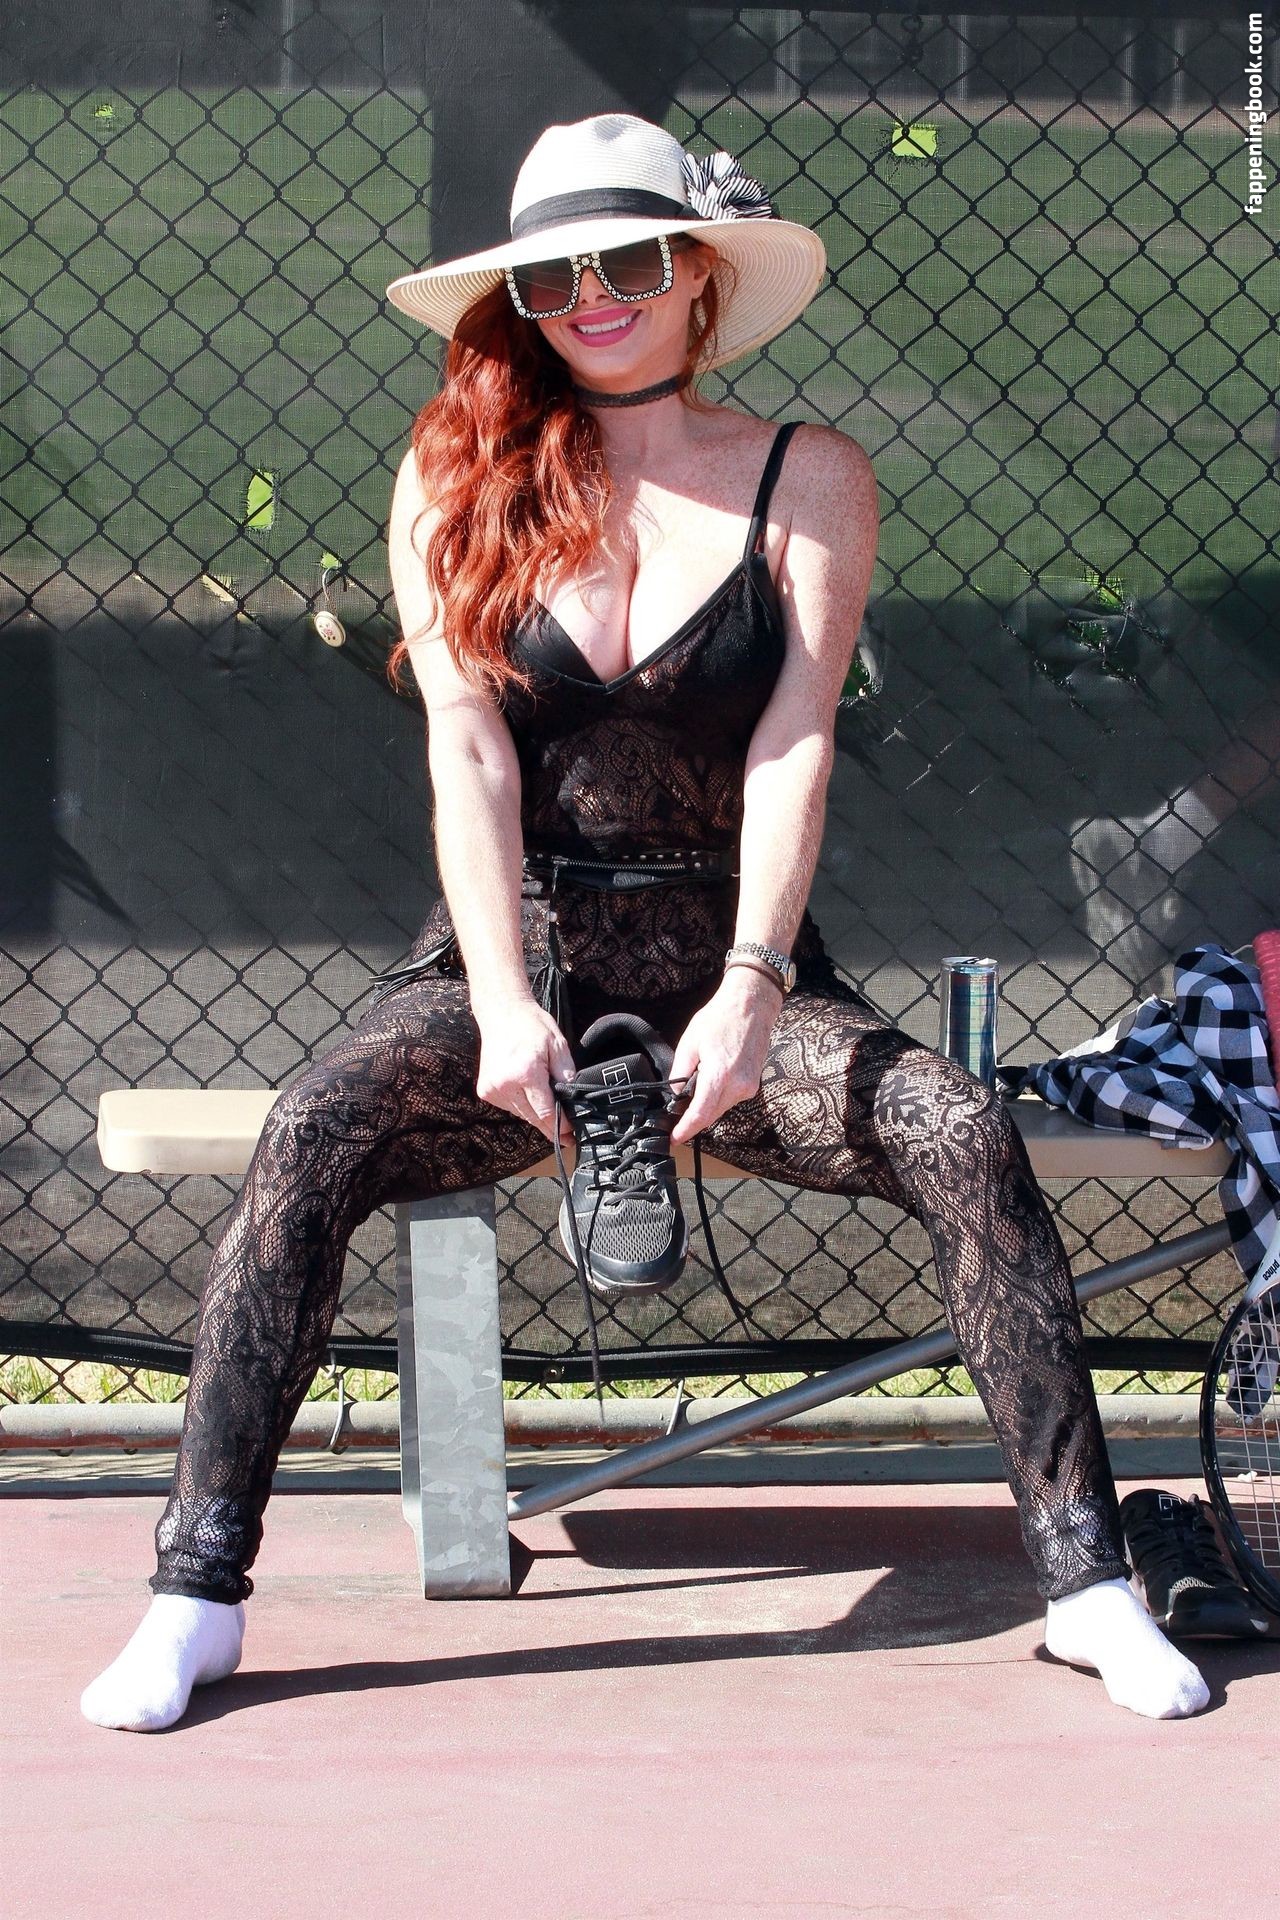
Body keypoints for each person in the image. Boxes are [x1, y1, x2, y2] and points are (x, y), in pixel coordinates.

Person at [80, 112, 1209, 1732]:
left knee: (961, 1129)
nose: (591, 298)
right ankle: (194, 1597)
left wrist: (754, 985)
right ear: (522, 302)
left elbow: (794, 743)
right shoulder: (457, 467)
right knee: (314, 1127)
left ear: (695, 272)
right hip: (516, 961)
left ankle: (1087, 1585)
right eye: (552, 278)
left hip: (730, 973)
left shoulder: (809, 476)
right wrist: (498, 996)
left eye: (623, 261)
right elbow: (468, 751)